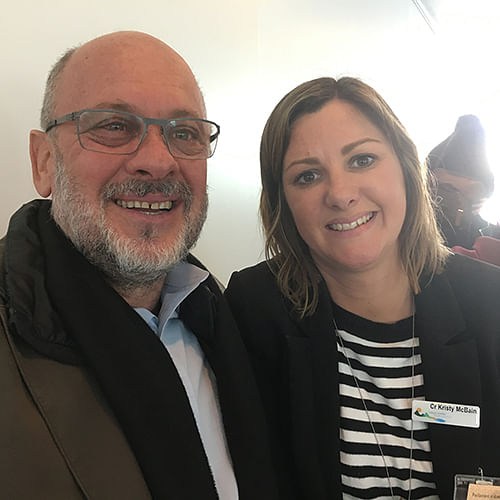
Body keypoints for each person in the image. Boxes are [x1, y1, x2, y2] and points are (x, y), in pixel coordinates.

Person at [0, 31, 278, 500]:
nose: (158, 161)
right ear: (44, 161)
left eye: (185, 133)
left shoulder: (224, 320)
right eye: (114, 125)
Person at [225, 77, 500, 499]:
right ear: (282, 202)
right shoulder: (255, 307)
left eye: (362, 160)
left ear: (407, 170)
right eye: (308, 175)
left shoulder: (489, 302)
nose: (340, 194)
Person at [426, 114, 500, 249]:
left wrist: (449, 181)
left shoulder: (438, 153)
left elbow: (426, 176)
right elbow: (486, 188)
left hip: (431, 217)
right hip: (462, 225)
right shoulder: (480, 161)